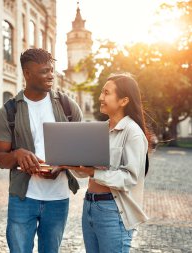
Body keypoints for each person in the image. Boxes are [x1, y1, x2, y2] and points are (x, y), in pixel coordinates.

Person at [0, 48, 83, 253]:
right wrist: (17, 155)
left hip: (58, 198)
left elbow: (80, 153)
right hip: (23, 197)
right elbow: (0, 158)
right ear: (27, 73)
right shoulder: (8, 111)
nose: (51, 75)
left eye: (51, 70)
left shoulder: (68, 106)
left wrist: (62, 165)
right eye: (44, 71)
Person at [59, 73, 150, 252]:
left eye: (106, 93)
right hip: (90, 207)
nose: (101, 97)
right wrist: (69, 162)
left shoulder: (133, 133)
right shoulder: (100, 130)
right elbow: (87, 171)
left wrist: (94, 172)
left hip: (113, 211)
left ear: (124, 101)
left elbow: (129, 178)